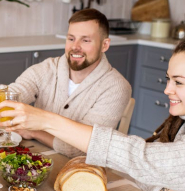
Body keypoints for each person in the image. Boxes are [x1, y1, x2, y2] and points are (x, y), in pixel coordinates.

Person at [0, 24, 185, 191]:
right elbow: (140, 169)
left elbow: (137, 159)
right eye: (168, 79)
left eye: (179, 82)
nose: (167, 90)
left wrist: (46, 121)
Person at [7, 8, 131, 158]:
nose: (75, 47)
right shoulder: (47, 68)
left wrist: (34, 132)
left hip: (80, 171)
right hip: (36, 158)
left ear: (104, 45)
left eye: (85, 40)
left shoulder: (117, 88)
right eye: (71, 39)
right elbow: (13, 94)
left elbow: (82, 148)